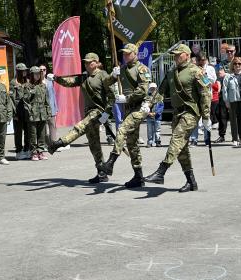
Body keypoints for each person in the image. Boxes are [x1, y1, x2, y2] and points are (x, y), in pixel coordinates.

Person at [144, 44, 212, 192]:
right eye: (174, 54)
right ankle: (191, 182)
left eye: (178, 54)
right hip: (177, 113)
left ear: (187, 55)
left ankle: (161, 171)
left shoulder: (196, 71)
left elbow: (206, 93)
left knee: (176, 138)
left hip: (191, 113)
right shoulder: (171, 72)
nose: (175, 57)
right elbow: (161, 91)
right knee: (181, 149)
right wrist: (148, 104)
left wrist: (206, 117)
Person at [47, 53, 115, 183]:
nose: (87, 64)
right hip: (88, 111)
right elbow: (70, 82)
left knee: (81, 127)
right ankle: (101, 172)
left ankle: (60, 143)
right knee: (94, 144)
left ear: (96, 62)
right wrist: (56, 78)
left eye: (90, 62)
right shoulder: (84, 77)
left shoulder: (103, 75)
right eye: (85, 62)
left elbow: (112, 96)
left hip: (98, 112)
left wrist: (107, 113)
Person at [98, 43, 151, 188]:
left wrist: (127, 98)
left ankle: (110, 162)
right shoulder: (121, 69)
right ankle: (138, 176)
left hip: (139, 107)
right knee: (131, 143)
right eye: (124, 53)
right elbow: (106, 83)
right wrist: (113, 75)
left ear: (135, 53)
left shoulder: (142, 69)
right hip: (128, 109)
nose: (125, 55)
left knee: (122, 130)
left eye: (128, 53)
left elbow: (143, 90)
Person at [23, 66, 51, 161]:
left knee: (42, 134)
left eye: (38, 73)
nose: (37, 75)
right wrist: (29, 113)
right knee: (33, 135)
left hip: (42, 113)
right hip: (32, 114)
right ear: (31, 74)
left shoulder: (42, 86)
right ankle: (34, 152)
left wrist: (48, 112)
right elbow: (26, 102)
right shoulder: (27, 86)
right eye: (35, 74)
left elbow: (46, 100)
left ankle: (41, 151)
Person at [213, 45, 235, 143]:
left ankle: (236, 135)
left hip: (235, 92)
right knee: (222, 114)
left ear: (235, 51)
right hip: (224, 91)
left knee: (235, 115)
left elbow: (240, 74)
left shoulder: (238, 62)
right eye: (228, 51)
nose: (230, 53)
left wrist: (226, 74)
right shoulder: (222, 63)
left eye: (231, 51)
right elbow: (220, 75)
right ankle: (222, 135)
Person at [10, 63, 30, 160]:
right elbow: (12, 99)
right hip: (17, 112)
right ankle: (19, 151)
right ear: (18, 71)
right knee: (18, 133)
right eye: (23, 71)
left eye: (25, 70)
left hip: (26, 112)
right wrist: (14, 113)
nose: (25, 72)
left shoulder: (28, 82)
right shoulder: (13, 83)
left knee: (28, 131)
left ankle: (27, 149)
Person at [40, 64, 59, 145]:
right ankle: (44, 144)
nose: (42, 71)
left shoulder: (50, 82)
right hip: (41, 108)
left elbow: (53, 95)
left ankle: (54, 143)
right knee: (43, 127)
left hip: (51, 108)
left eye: (44, 70)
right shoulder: (36, 82)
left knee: (52, 125)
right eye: (40, 70)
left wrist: (56, 107)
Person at [146, 83, 164, 148]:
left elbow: (161, 107)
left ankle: (158, 141)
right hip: (149, 116)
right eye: (151, 88)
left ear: (156, 88)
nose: (152, 89)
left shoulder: (159, 97)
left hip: (157, 117)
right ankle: (149, 142)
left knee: (157, 130)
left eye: (154, 88)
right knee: (149, 130)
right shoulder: (147, 97)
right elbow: (144, 106)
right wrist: (148, 113)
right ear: (149, 89)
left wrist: (155, 113)